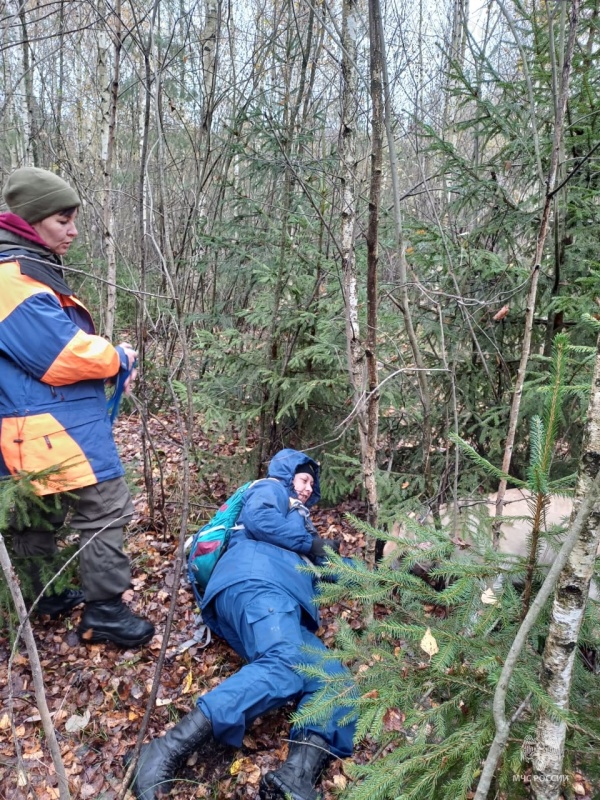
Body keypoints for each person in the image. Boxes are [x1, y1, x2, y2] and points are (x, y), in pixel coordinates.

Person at [129, 448, 356, 800]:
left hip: (278, 608)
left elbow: (338, 572)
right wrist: (311, 543)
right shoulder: (271, 489)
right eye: (304, 478)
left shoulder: (298, 528)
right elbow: (259, 519)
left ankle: (295, 778)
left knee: (335, 681)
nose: (309, 488)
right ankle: (163, 750)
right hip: (255, 583)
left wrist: (399, 576)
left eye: (313, 483)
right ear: (287, 473)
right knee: (283, 663)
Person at [0, 166, 154, 648]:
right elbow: (61, 354)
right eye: (63, 220)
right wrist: (117, 358)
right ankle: (105, 612)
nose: (73, 230)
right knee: (104, 510)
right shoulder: (11, 278)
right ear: (31, 219)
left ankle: (41, 596)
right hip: (51, 426)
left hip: (40, 423)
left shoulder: (22, 267)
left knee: (36, 513)